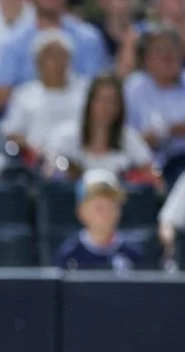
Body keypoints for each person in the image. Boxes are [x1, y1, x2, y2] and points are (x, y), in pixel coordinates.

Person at [0, 0, 108, 110]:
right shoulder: (11, 42)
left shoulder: (89, 38)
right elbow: (1, 97)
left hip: (76, 117)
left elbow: (98, 91)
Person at [0, 29, 90, 164]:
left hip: (80, 160)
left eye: (61, 55)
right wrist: (33, 150)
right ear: (38, 62)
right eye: (50, 55)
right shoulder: (25, 94)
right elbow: (12, 132)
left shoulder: (85, 90)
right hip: (38, 164)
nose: (56, 61)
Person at [45, 73, 153, 179]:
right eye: (102, 100)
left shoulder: (129, 139)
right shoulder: (66, 136)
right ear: (90, 102)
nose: (106, 107)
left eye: (113, 101)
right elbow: (48, 170)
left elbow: (154, 178)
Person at [124, 26, 185, 186]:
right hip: (150, 167)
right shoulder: (133, 88)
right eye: (160, 51)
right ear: (147, 59)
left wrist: (175, 129)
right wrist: (151, 137)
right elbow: (123, 138)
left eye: (173, 50)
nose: (168, 56)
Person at [56, 169, 144, 270]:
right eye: (99, 208)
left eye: (112, 206)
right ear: (81, 212)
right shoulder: (69, 254)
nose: (106, 213)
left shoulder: (133, 252)